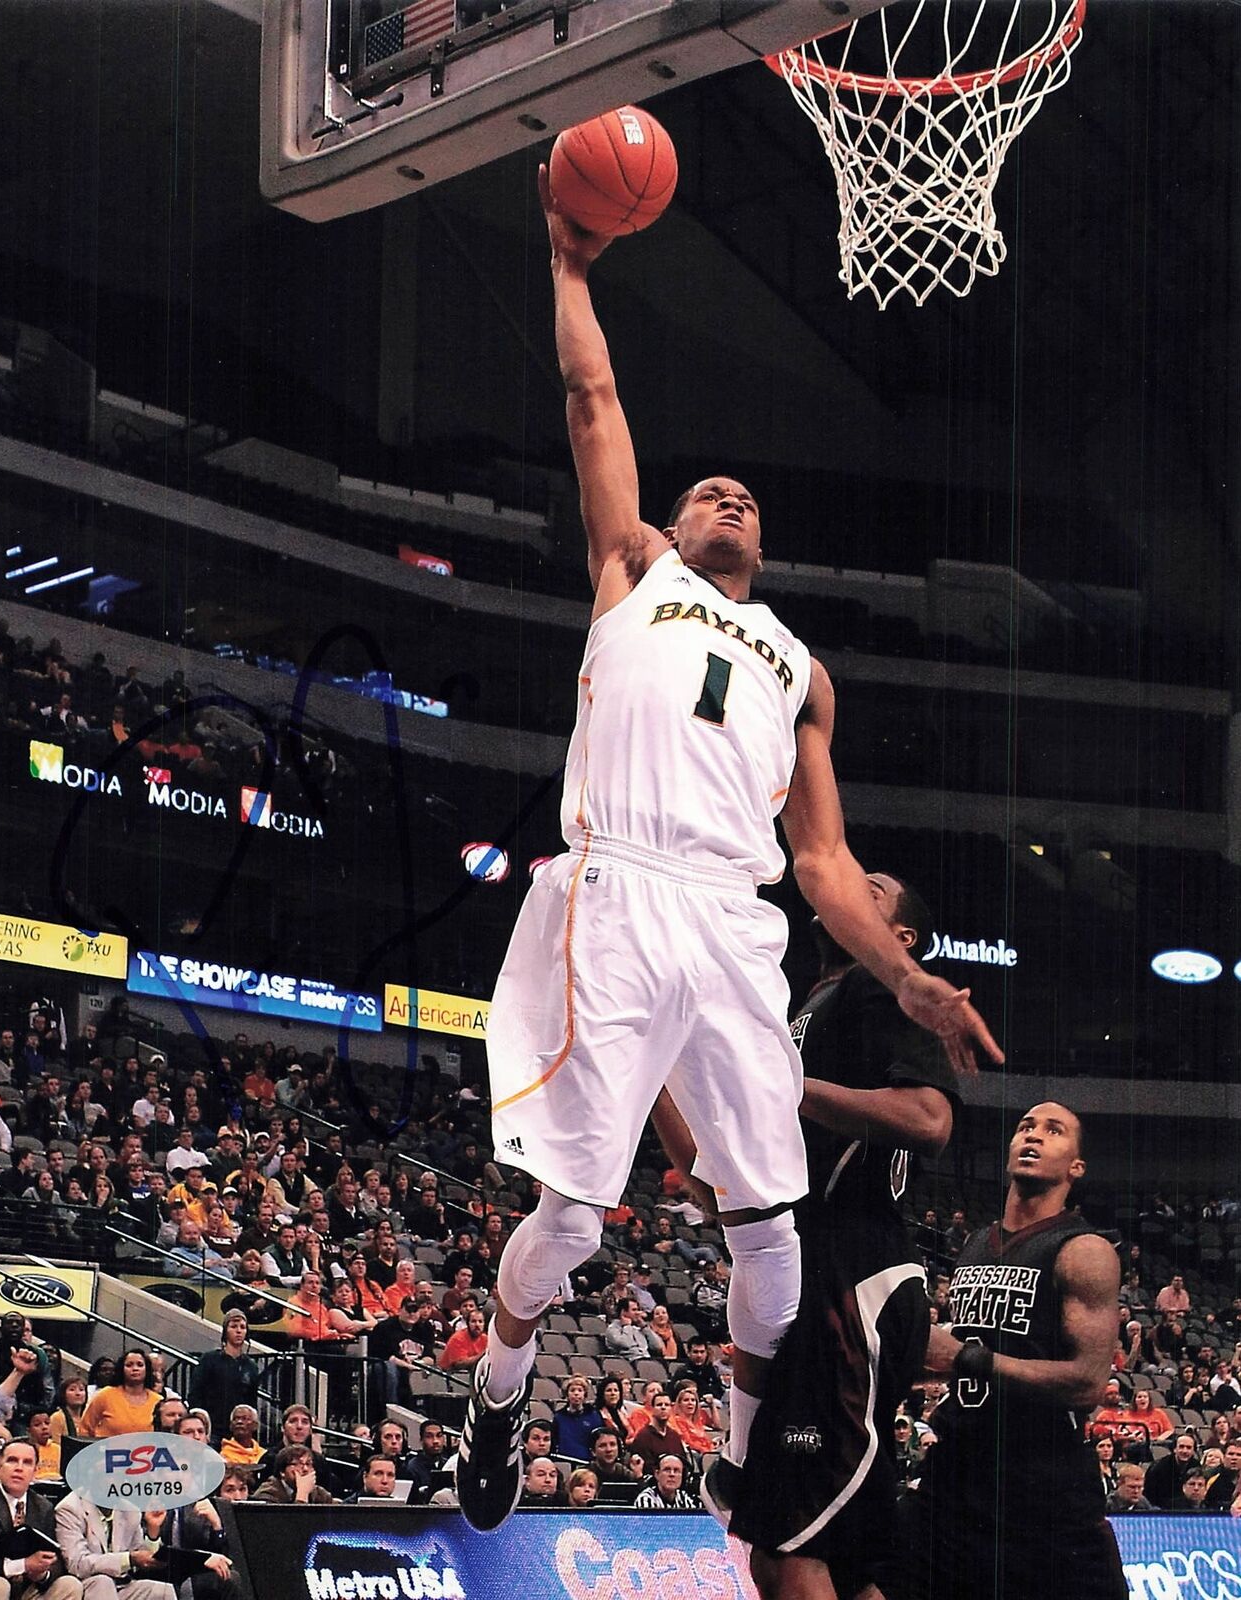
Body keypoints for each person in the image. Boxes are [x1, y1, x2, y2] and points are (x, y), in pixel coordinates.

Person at [455, 168, 1001, 1537]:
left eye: (742, 495)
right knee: (574, 1223)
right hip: (618, 888)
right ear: (673, 528)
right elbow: (591, 399)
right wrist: (569, 269)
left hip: (733, 922)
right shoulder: (631, 569)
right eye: (706, 491)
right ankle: (498, 1388)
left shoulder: (802, 671)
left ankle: (743, 1456)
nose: (726, 495)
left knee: (769, 1233)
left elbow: (821, 862)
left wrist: (908, 980)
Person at [658, 875, 958, 1600]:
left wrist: (782, 1086)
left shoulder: (885, 984)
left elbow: (929, 1120)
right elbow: (709, 1181)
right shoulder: (811, 1008)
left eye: (873, 889)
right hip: (820, 1270)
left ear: (902, 939)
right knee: (842, 1559)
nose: (852, 885)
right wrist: (657, 1069)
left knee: (783, 1550)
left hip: (852, 1273)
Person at [893, 1104, 1126, 1600]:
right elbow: (967, 1351)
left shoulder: (1084, 1249)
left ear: (1076, 1166)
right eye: (1025, 1127)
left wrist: (965, 1359)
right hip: (958, 1469)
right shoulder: (978, 1242)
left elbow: (1087, 1382)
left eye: (1053, 1131)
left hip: (1040, 1481)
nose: (1033, 1136)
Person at [0, 1438, 82, 1600]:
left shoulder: (43, 1507)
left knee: (70, 1585)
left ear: (35, 1472)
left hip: (26, 1587)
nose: (19, 1468)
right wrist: (24, 1564)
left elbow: (57, 1563)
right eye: (12, 1460)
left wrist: (41, 1573)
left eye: (27, 1463)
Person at [53, 1491, 177, 1600]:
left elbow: (140, 1558)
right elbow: (77, 1564)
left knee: (163, 1592)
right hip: (86, 1586)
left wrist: (153, 1531)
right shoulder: (70, 1508)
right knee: (103, 1583)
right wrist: (128, 1559)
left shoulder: (129, 1510)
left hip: (121, 1584)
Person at [187, 1315, 258, 1448]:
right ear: (225, 1331)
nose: (239, 1331)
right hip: (212, 1429)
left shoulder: (251, 1366)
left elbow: (251, 1402)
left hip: (238, 1432)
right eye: (234, 1327)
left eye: (242, 1327)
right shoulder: (209, 1359)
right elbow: (195, 1393)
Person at [78, 1349, 159, 1438]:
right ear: (121, 1369)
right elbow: (85, 1429)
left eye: (140, 1365)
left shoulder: (158, 1401)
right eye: (129, 1365)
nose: (135, 1369)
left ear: (147, 1370)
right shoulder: (105, 1395)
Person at [251, 1446, 334, 1505]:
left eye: (308, 1464)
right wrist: (302, 1495)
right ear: (282, 1472)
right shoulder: (267, 1495)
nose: (305, 1469)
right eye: (297, 1464)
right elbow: (293, 1523)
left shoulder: (319, 1493)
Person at [634, 1454, 700, 1511]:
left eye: (676, 1470)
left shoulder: (684, 1498)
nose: (672, 1474)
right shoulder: (646, 1499)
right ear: (657, 1474)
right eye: (667, 1470)